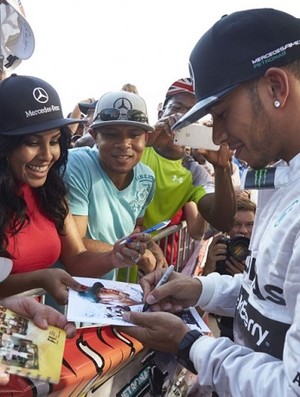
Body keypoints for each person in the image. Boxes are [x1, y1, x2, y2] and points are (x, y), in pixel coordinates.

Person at [118, 8, 300, 396]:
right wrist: (199, 289)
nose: (217, 135)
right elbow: (267, 296)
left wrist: (189, 345)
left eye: (221, 114)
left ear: (276, 88)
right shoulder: (276, 176)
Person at [0, 74, 149, 303]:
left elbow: (77, 260)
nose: (47, 155)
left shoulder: (51, 191)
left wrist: (114, 257)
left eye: (53, 141)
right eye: (32, 142)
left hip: (45, 331)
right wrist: (38, 279)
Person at [63, 90, 167, 282]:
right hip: (66, 290)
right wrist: (138, 253)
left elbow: (136, 227)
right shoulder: (76, 165)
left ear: (146, 137)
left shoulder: (146, 178)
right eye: (112, 135)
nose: (124, 144)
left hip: (106, 286)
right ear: (94, 135)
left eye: (134, 135)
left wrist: (151, 246)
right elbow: (76, 244)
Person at [202, 195, 256, 340]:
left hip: (254, 331)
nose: (243, 231)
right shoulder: (221, 249)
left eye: (250, 224)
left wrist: (246, 279)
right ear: (227, 226)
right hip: (227, 328)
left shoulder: (263, 252)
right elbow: (202, 300)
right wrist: (209, 264)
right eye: (237, 224)